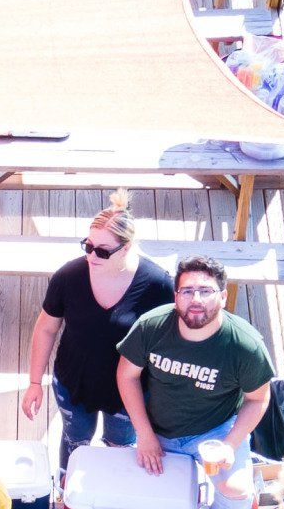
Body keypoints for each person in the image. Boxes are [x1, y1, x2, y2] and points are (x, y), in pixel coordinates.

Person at [116, 255, 275, 509]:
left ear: (223, 297)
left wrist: (230, 444)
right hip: (157, 430)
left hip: (214, 432)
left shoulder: (245, 346)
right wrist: (143, 434)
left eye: (206, 291)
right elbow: (126, 375)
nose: (196, 299)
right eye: (187, 291)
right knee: (134, 492)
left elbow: (258, 398)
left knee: (237, 491)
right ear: (176, 296)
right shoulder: (150, 326)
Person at [21, 191, 176, 472]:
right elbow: (46, 328)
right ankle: (68, 487)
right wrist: (34, 383)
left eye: (103, 251)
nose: (92, 256)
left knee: (119, 447)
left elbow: (168, 342)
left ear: (127, 247)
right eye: (88, 246)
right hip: (74, 381)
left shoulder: (158, 285)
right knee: (76, 440)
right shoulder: (68, 276)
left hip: (130, 390)